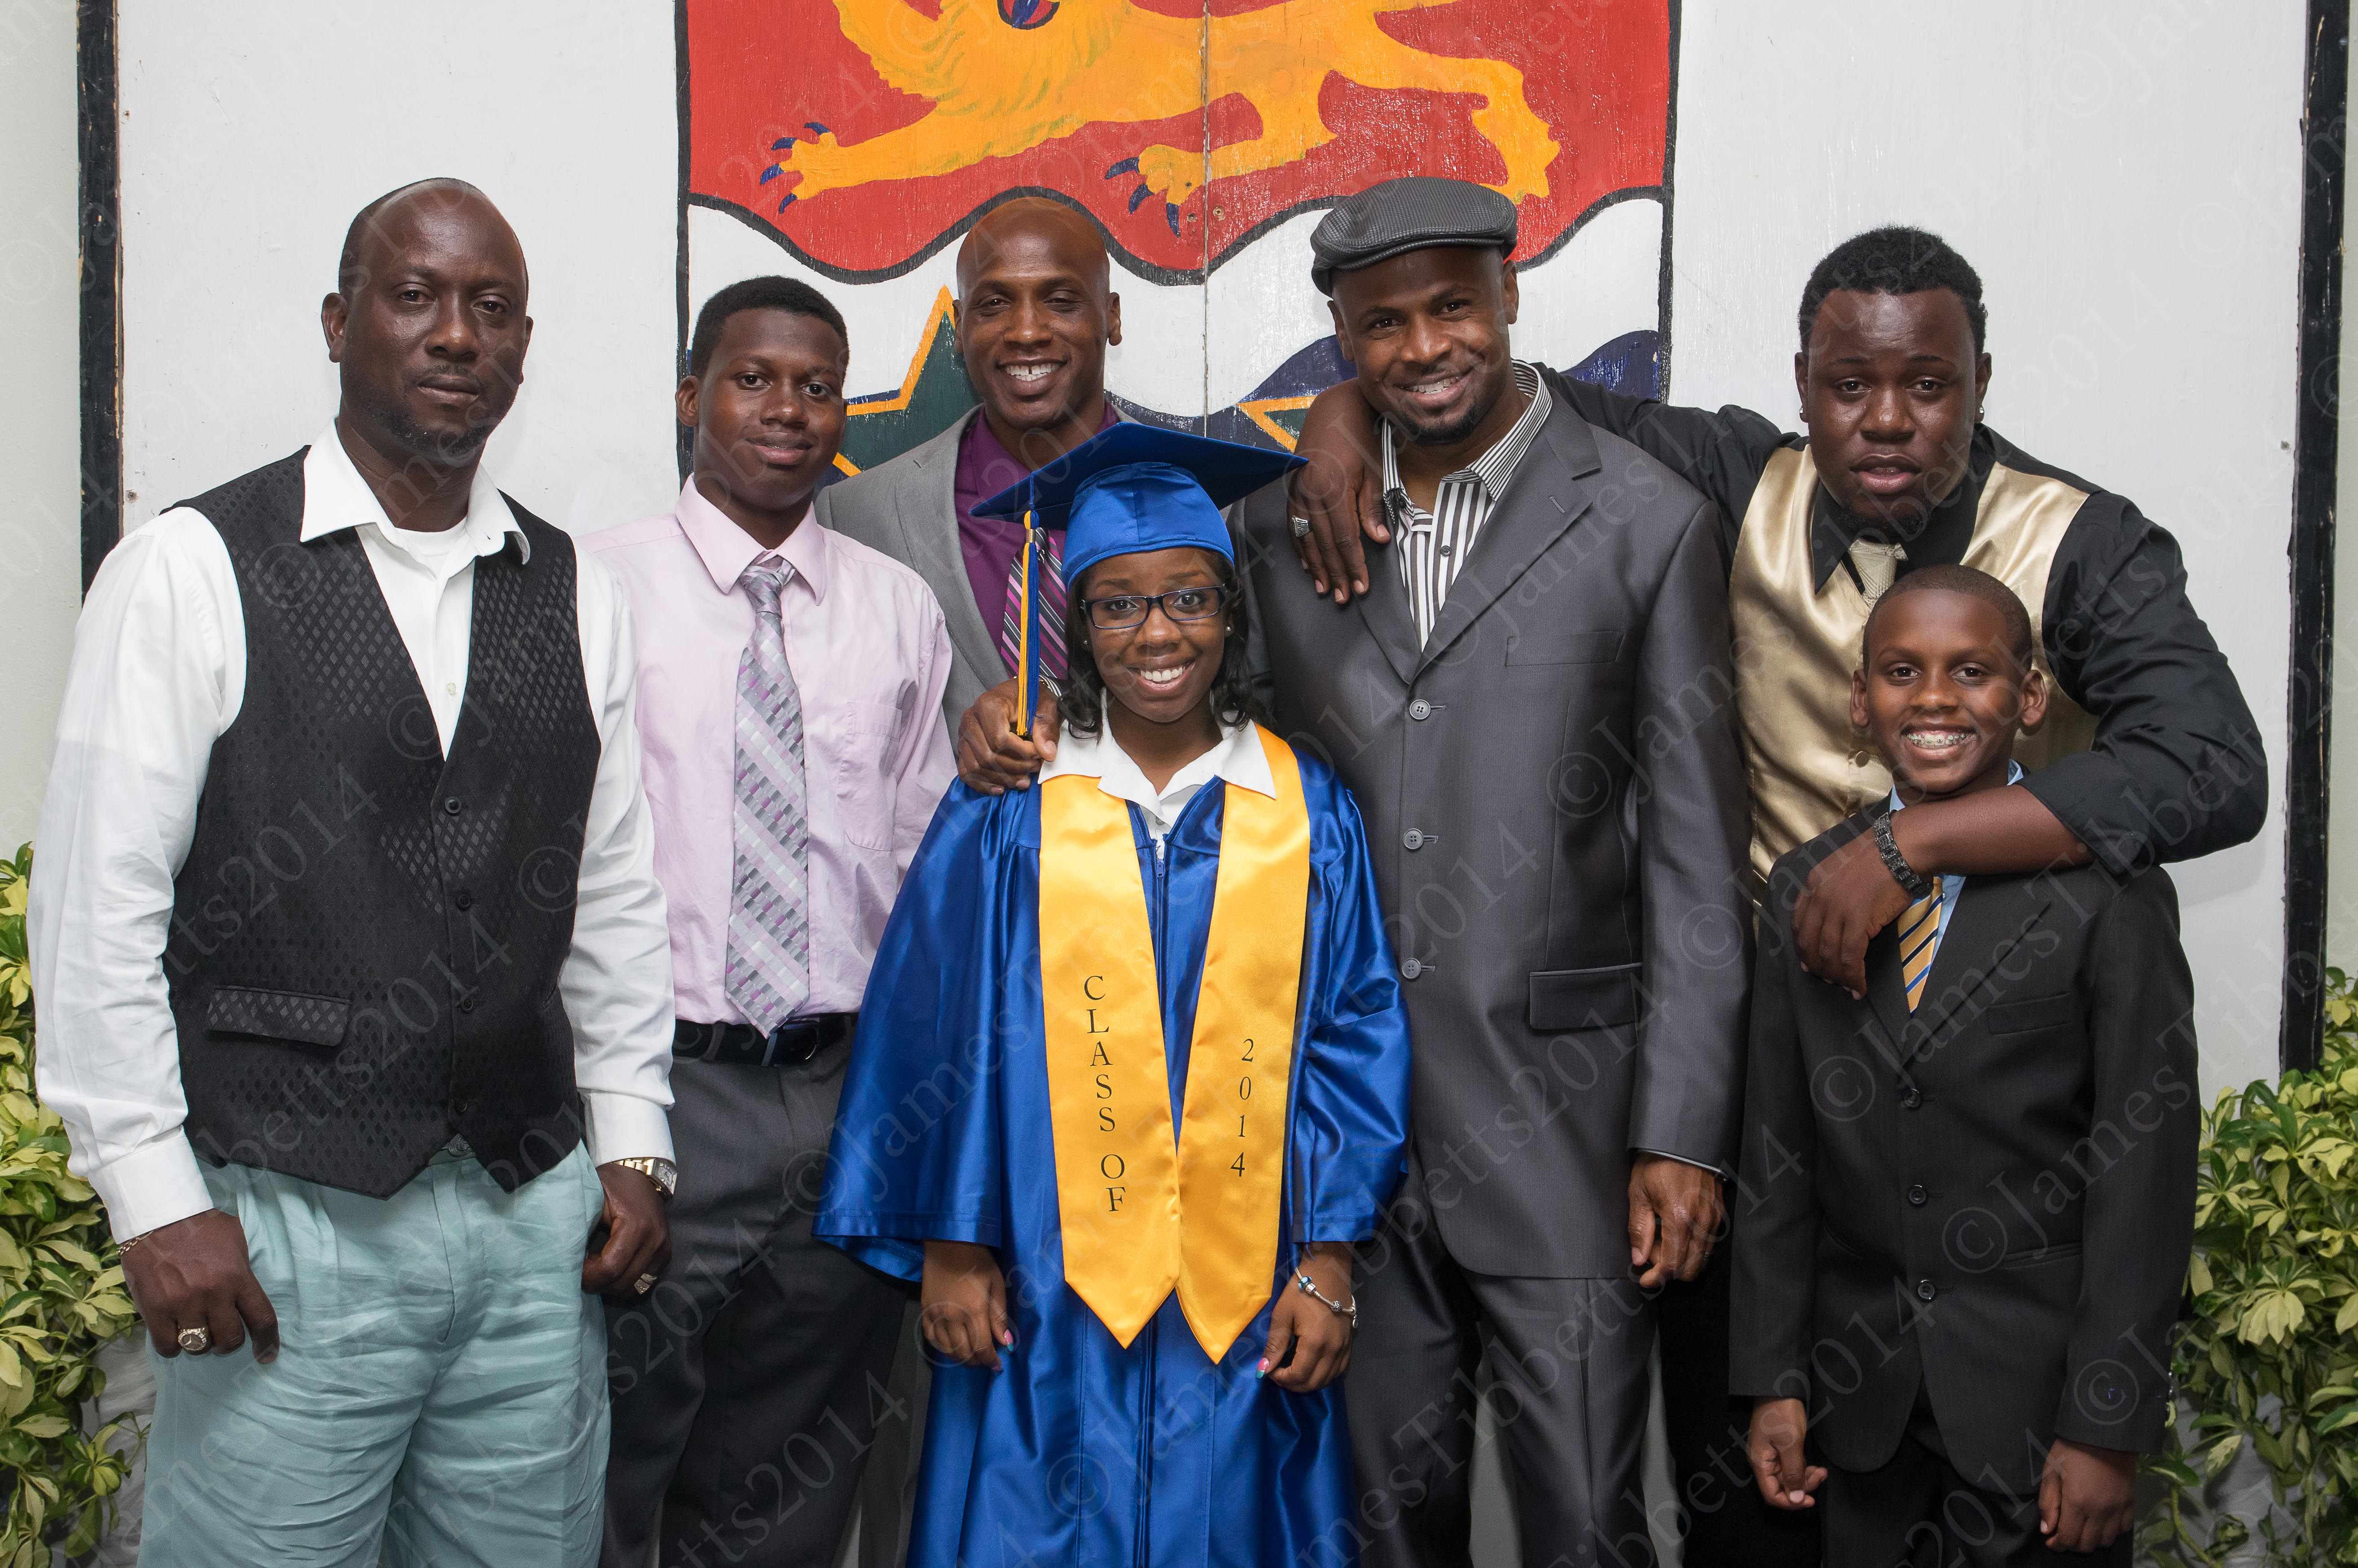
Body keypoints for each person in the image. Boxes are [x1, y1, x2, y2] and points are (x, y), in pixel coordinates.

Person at [1283, 222, 2262, 1564]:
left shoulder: (2080, 542)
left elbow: (2213, 768)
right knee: (1742, 1492)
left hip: (2002, 1090)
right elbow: (1488, 391)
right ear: (1799, 384)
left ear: (1981, 383)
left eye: (1928, 386)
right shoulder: (1736, 473)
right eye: (1848, 386)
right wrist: (1339, 417)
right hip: (1765, 1095)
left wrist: (1918, 845)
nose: (1885, 422)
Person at [962, 176, 1752, 1568]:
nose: (1423, 346)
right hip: (1336, 1153)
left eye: (1453, 307)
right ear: (1340, 338)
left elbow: (1694, 857)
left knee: (1585, 1522)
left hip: (1563, 1135)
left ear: (1510, 295)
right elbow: (1199, 748)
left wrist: (1680, 1131)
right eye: (1381, 325)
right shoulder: (1277, 528)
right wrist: (1023, 730)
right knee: (1376, 1528)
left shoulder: (1648, 521)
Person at [28, 179, 676, 1566]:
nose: (457, 334)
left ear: (522, 346)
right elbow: (99, 910)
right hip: (283, 1217)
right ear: (338, 322)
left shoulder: (576, 589)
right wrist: (154, 1197)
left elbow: (614, 890)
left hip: (528, 1219)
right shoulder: (189, 568)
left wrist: (632, 1135)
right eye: (415, 296)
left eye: (491, 308)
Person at [815, 423, 1414, 1568]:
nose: (1157, 634)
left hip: (1249, 1286)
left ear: (1229, 614)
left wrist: (1328, 1254)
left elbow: (1355, 1037)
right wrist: (951, 1241)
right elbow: (932, 1028)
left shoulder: (1304, 810)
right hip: (1040, 1284)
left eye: (1189, 599)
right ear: (1077, 626)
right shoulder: (1009, 808)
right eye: (1118, 606)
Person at [589, 276, 955, 1567]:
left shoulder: (895, 608)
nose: (788, 409)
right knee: (607, 1464)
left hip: (840, 1094)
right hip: (657, 1091)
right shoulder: (595, 588)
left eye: (817, 386)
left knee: (793, 1478)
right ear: (692, 395)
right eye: (753, 379)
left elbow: (917, 872)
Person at [1734, 564, 2197, 1567]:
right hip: (1860, 1407)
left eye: (1971, 671)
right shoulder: (1809, 884)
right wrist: (1772, 1376)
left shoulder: (2108, 893)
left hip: (2041, 1420)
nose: (1935, 698)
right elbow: (1778, 1149)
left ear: (2028, 698)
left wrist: (2106, 1422)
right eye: (1901, 671)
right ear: (1859, 701)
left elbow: (2144, 1176)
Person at [817, 196, 1134, 729]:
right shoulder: (856, 516)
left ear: (1112, 316)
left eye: (1061, 301)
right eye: (994, 304)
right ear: (960, 327)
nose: (1027, 331)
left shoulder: (1207, 497)